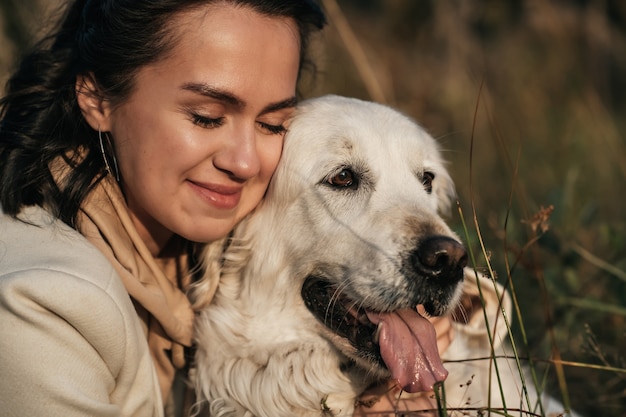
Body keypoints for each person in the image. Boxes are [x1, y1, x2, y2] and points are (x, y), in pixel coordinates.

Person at [0, 1, 326, 416]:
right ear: (98, 97)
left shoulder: (213, 258)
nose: (245, 162)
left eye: (272, 124)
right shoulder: (40, 305)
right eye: (207, 117)